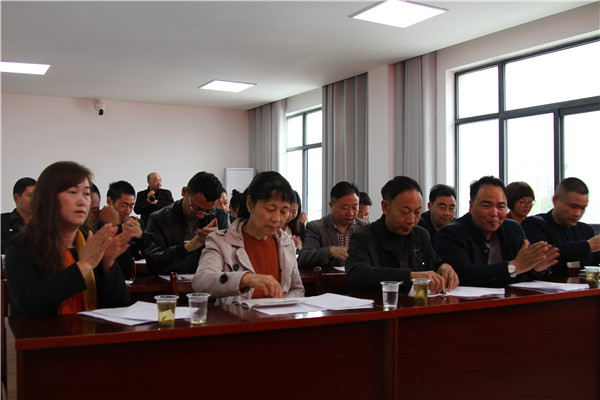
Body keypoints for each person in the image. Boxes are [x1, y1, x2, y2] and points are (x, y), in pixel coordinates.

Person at [5, 161, 132, 316]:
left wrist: (108, 263)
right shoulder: (22, 245)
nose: (82, 201)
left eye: (86, 194)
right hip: (46, 332)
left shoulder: (89, 240)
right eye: (73, 192)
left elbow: (119, 304)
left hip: (91, 329)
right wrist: (84, 264)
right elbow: (29, 304)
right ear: (48, 198)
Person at [192, 171, 304, 301]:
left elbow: (297, 289)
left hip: (278, 314)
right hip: (237, 314)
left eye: (284, 211)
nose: (277, 219)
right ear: (250, 204)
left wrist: (284, 300)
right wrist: (245, 279)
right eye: (270, 209)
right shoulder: (221, 241)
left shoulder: (286, 243)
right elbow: (201, 282)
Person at [436, 176, 558, 287]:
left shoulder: (512, 228)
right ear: (471, 206)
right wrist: (513, 267)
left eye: (500, 207)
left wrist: (536, 268)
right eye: (486, 206)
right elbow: (465, 275)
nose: (494, 213)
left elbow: (525, 269)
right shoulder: (451, 233)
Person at [346, 176, 459, 295]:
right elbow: (357, 273)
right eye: (405, 212)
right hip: (378, 304)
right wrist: (410, 276)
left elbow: (433, 262)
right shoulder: (364, 237)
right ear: (385, 207)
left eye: (417, 212)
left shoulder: (421, 235)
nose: (411, 220)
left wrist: (443, 266)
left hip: (416, 303)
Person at [144, 171, 230, 275]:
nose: (201, 215)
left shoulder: (220, 217)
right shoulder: (160, 219)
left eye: (208, 211)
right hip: (170, 283)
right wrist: (188, 247)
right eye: (196, 208)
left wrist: (218, 241)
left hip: (210, 281)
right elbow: (153, 265)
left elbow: (231, 261)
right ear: (184, 192)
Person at [522, 177, 600, 278]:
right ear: (555, 200)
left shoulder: (585, 230)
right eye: (573, 206)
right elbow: (542, 255)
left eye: (582, 208)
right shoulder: (534, 224)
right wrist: (587, 246)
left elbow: (593, 266)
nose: (577, 213)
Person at [297, 181, 368, 269]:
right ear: (331, 206)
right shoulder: (316, 227)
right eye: (345, 208)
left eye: (354, 207)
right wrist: (330, 251)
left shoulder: (364, 227)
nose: (350, 213)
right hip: (330, 277)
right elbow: (304, 258)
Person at [97, 180, 146, 278]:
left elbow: (150, 253)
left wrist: (141, 237)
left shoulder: (135, 223)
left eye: (131, 206)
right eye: (124, 205)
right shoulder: (98, 223)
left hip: (136, 277)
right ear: (109, 201)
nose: (127, 211)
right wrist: (118, 228)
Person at [1, 177, 36, 253]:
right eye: (30, 196)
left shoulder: (45, 223)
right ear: (16, 197)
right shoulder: (3, 221)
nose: (35, 200)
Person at [418, 184, 457, 248]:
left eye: (451, 208)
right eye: (442, 208)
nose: (447, 213)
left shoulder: (457, 228)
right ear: (430, 206)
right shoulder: (418, 226)